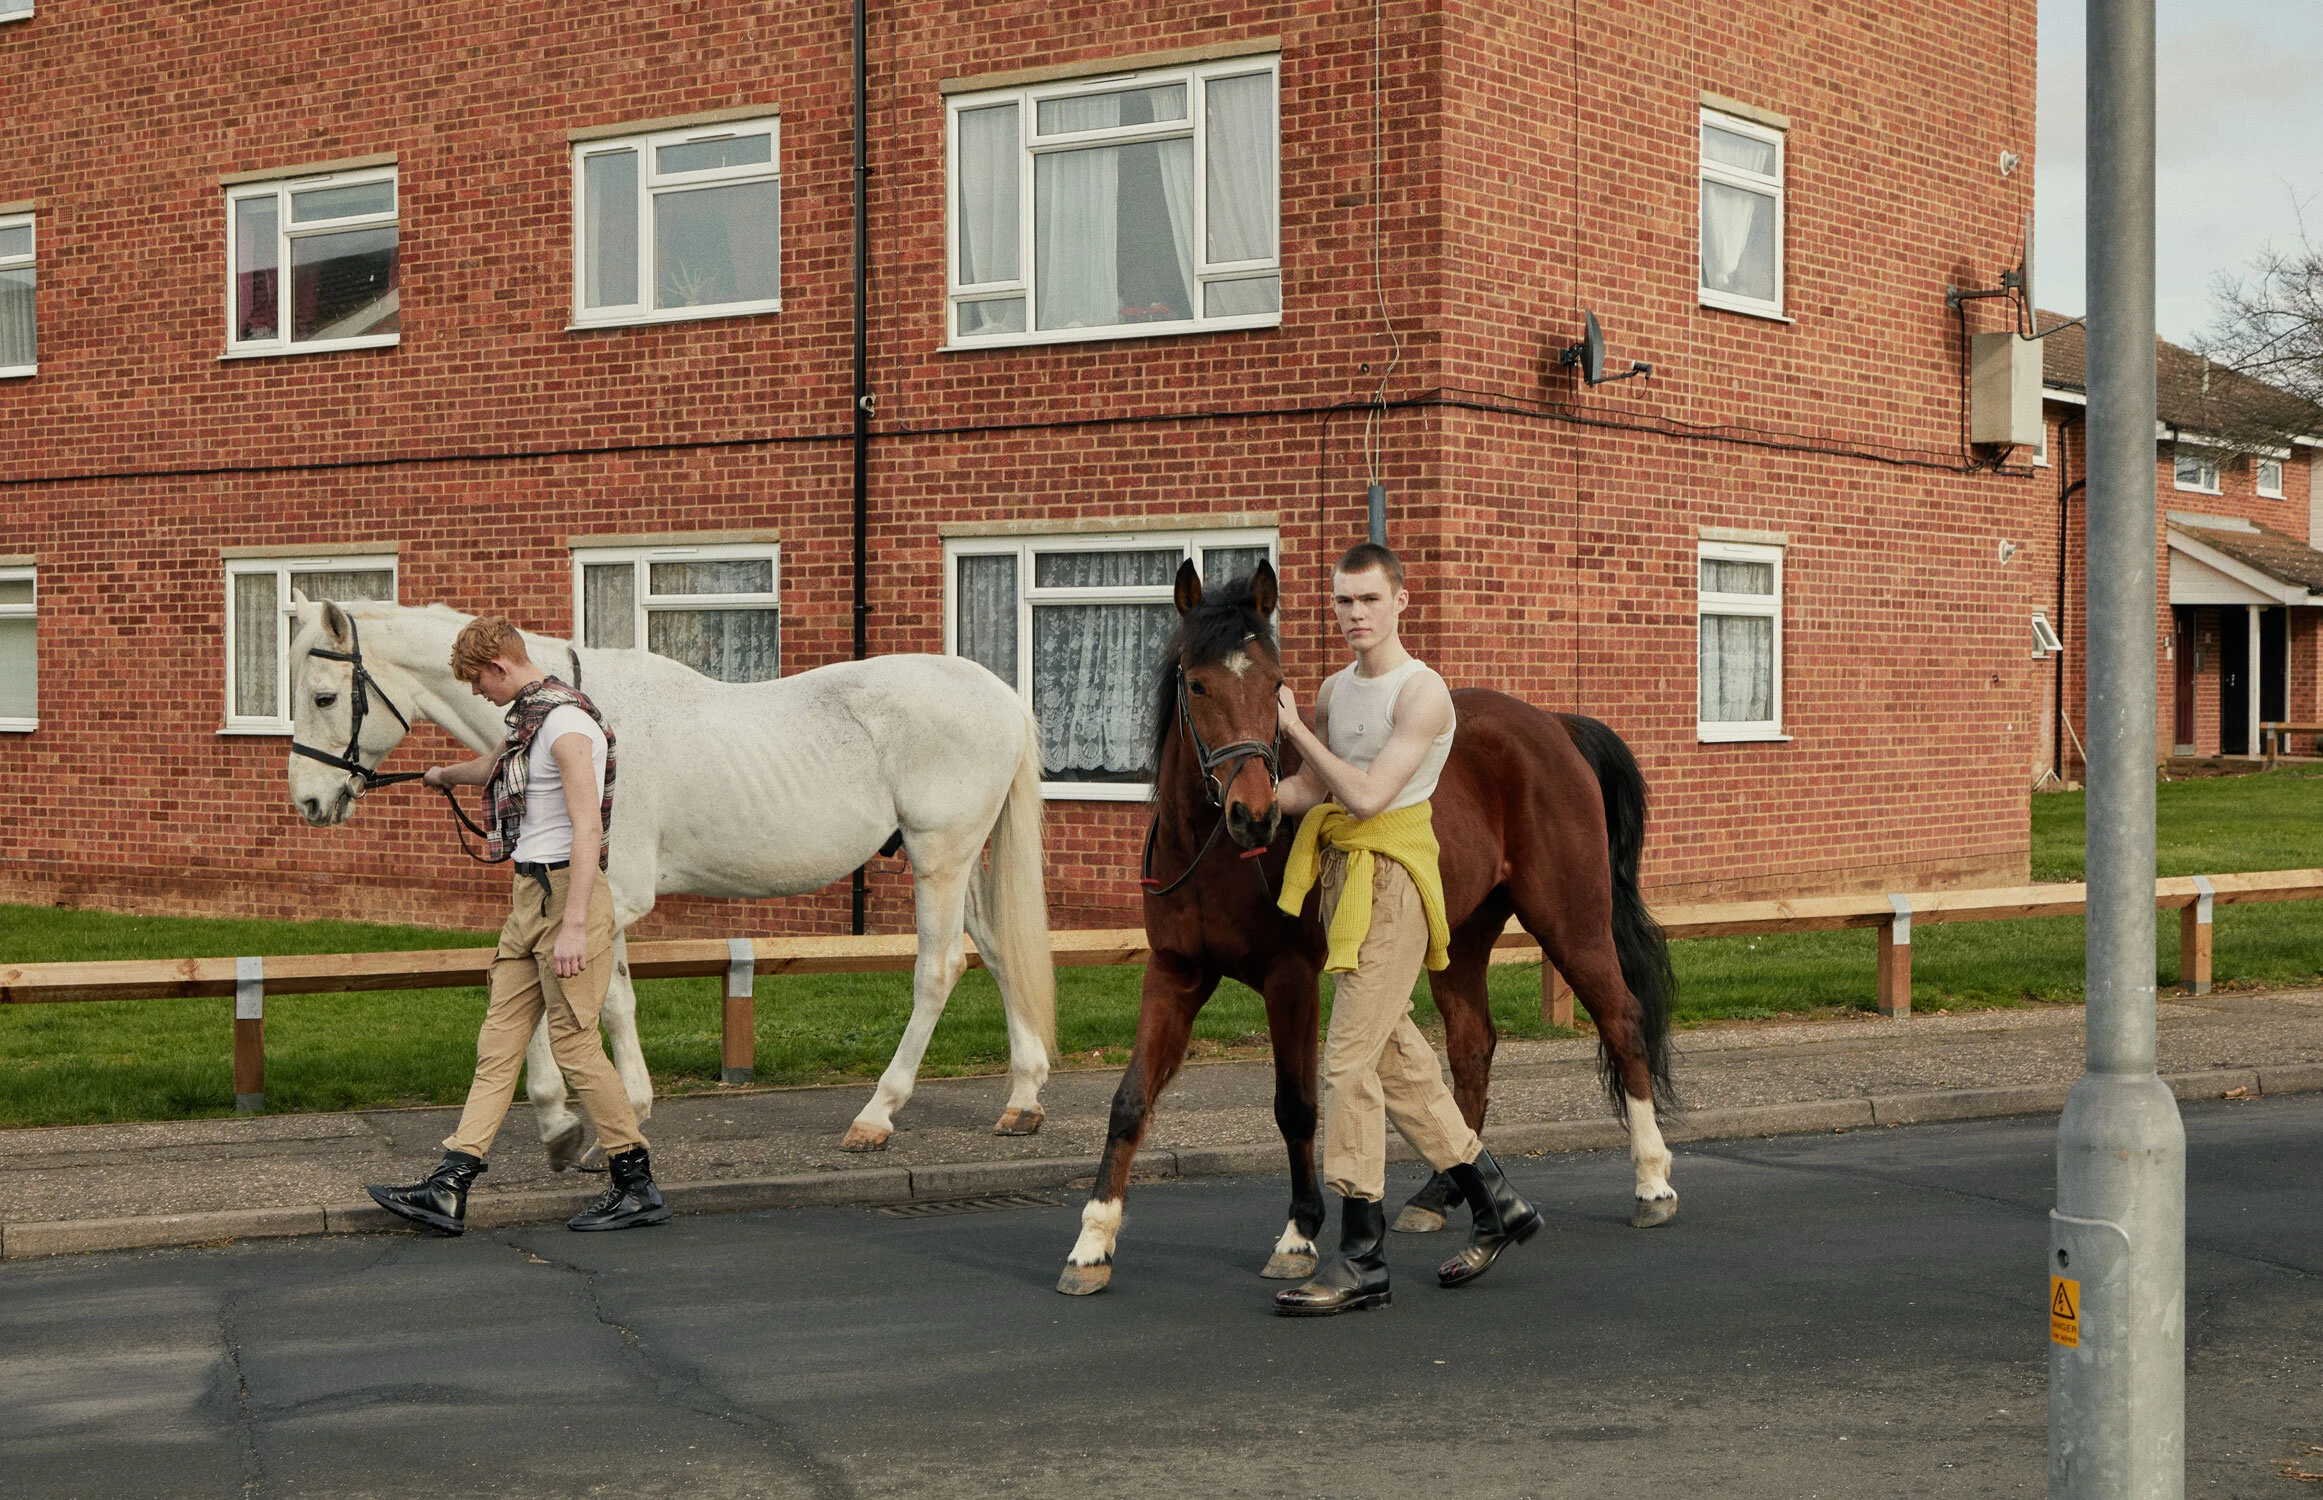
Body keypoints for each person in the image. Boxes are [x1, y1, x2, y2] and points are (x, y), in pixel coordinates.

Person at [1268, 543, 1539, 1315]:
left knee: (1345, 1065)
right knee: (1399, 1063)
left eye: (1367, 600)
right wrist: (1253, 792)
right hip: (1341, 882)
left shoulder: (1423, 694)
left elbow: (1365, 795)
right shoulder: (1331, 689)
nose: (1353, 614)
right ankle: (1499, 1206)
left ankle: (1361, 1260)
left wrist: (1297, 732)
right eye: (1342, 601)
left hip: (1395, 882)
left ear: (1400, 602)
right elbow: (1309, 789)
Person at [365, 616, 668, 1236]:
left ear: (501, 666)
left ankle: (634, 1182)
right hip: (529, 894)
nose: (477, 694)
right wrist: (445, 776)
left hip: (567, 898)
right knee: (498, 1044)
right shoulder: (532, 721)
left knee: (576, 1047)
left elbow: (588, 829)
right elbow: (503, 765)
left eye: (479, 682)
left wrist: (577, 926)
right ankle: (451, 1184)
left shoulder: (568, 725)